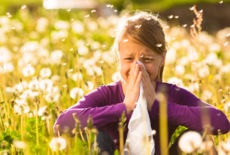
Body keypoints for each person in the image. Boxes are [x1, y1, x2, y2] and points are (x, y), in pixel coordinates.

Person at [54, 10, 230, 155]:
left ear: (162, 59)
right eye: (129, 58)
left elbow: (221, 123)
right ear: (119, 58)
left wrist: (159, 107)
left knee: (201, 137)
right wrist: (124, 107)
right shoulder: (107, 94)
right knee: (95, 135)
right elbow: (61, 125)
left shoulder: (171, 94)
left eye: (147, 59)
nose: (138, 67)